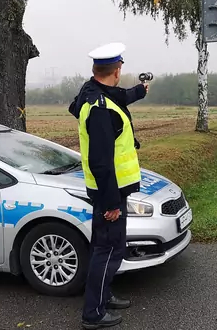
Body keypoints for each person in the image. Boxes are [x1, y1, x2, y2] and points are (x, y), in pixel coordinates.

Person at [68, 42, 148, 329]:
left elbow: (118, 97)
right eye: (120, 69)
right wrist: (112, 202)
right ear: (116, 71)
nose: (121, 74)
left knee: (113, 246)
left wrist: (138, 92)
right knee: (106, 249)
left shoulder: (94, 94)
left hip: (113, 189)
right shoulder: (100, 108)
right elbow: (101, 161)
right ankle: (94, 314)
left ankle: (104, 295)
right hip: (108, 192)